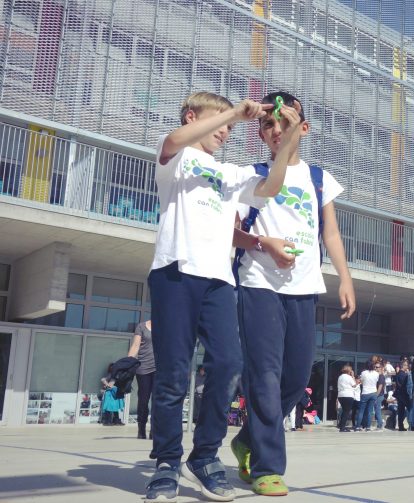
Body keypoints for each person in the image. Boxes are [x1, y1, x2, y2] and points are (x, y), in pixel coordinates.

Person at [143, 91, 299, 503]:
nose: (226, 131)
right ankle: (165, 462)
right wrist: (234, 111)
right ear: (195, 117)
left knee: (229, 364)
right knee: (174, 374)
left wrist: (286, 145)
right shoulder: (175, 157)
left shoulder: (229, 173)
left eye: (230, 128)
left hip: (218, 281)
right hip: (175, 272)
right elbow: (175, 141)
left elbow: (270, 186)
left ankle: (205, 455)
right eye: (219, 124)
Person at [229, 91, 355, 495]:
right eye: (268, 123)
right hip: (259, 284)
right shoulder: (250, 174)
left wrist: (346, 277)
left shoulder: (320, 179)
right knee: (264, 375)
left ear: (304, 128)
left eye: (284, 121)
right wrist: (263, 244)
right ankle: (268, 465)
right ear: (260, 133)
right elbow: (231, 232)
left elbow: (329, 233)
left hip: (304, 287)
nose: (276, 128)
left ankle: (248, 438)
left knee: (297, 377)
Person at [128, 319, 156, 439]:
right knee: (143, 400)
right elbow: (135, 346)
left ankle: (154, 429)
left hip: (160, 368)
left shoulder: (166, 325)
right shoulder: (141, 326)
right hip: (143, 368)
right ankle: (141, 428)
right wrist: (127, 362)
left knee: (157, 401)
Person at [355, 361, 382, 431]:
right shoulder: (376, 374)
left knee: (361, 411)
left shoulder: (363, 373)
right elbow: (376, 381)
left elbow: (361, 382)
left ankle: (358, 426)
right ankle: (368, 427)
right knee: (370, 411)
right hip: (373, 392)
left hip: (365, 392)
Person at [336, 365, 357, 432]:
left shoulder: (340, 377)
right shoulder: (349, 377)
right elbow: (354, 385)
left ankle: (341, 425)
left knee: (344, 410)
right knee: (346, 412)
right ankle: (342, 428)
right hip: (348, 395)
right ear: (349, 371)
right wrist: (353, 376)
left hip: (340, 395)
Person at [394, 360, 413, 431]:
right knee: (410, 409)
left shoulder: (398, 374)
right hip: (404, 395)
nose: (407, 367)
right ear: (403, 365)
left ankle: (400, 426)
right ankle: (410, 424)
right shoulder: (404, 375)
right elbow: (406, 385)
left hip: (399, 395)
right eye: (406, 365)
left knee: (401, 411)